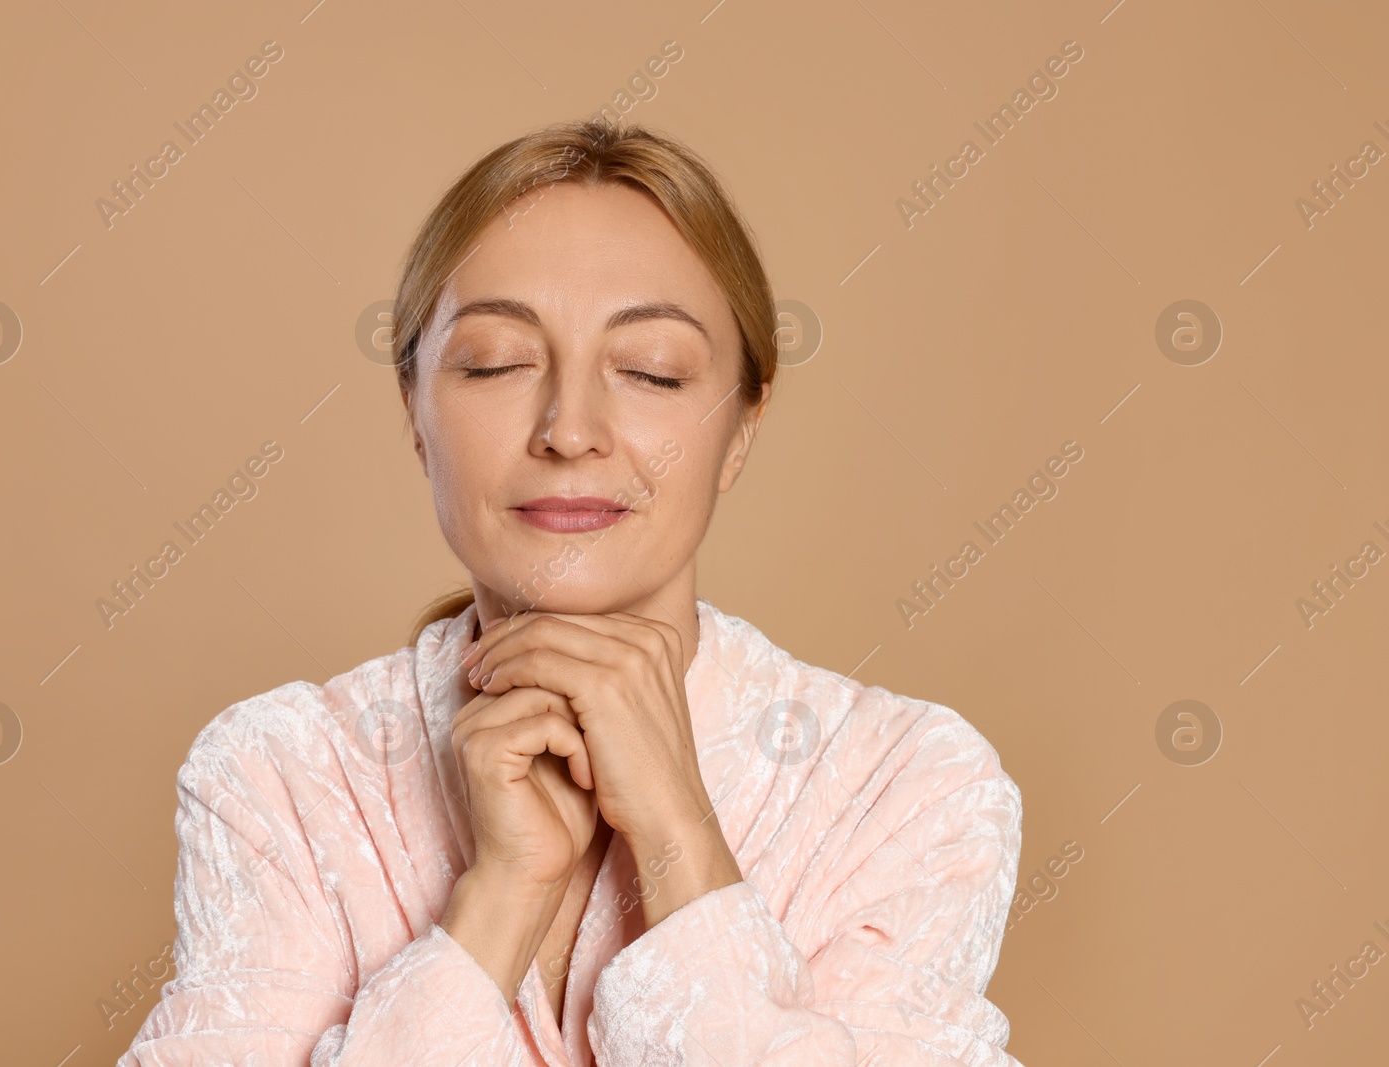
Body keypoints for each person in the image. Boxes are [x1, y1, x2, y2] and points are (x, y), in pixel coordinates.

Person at [117, 118, 1025, 1066]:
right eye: (498, 362)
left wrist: (680, 836)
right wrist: (495, 903)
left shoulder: (911, 787)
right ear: (415, 412)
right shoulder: (280, 775)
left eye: (651, 371)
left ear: (743, 427)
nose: (570, 428)